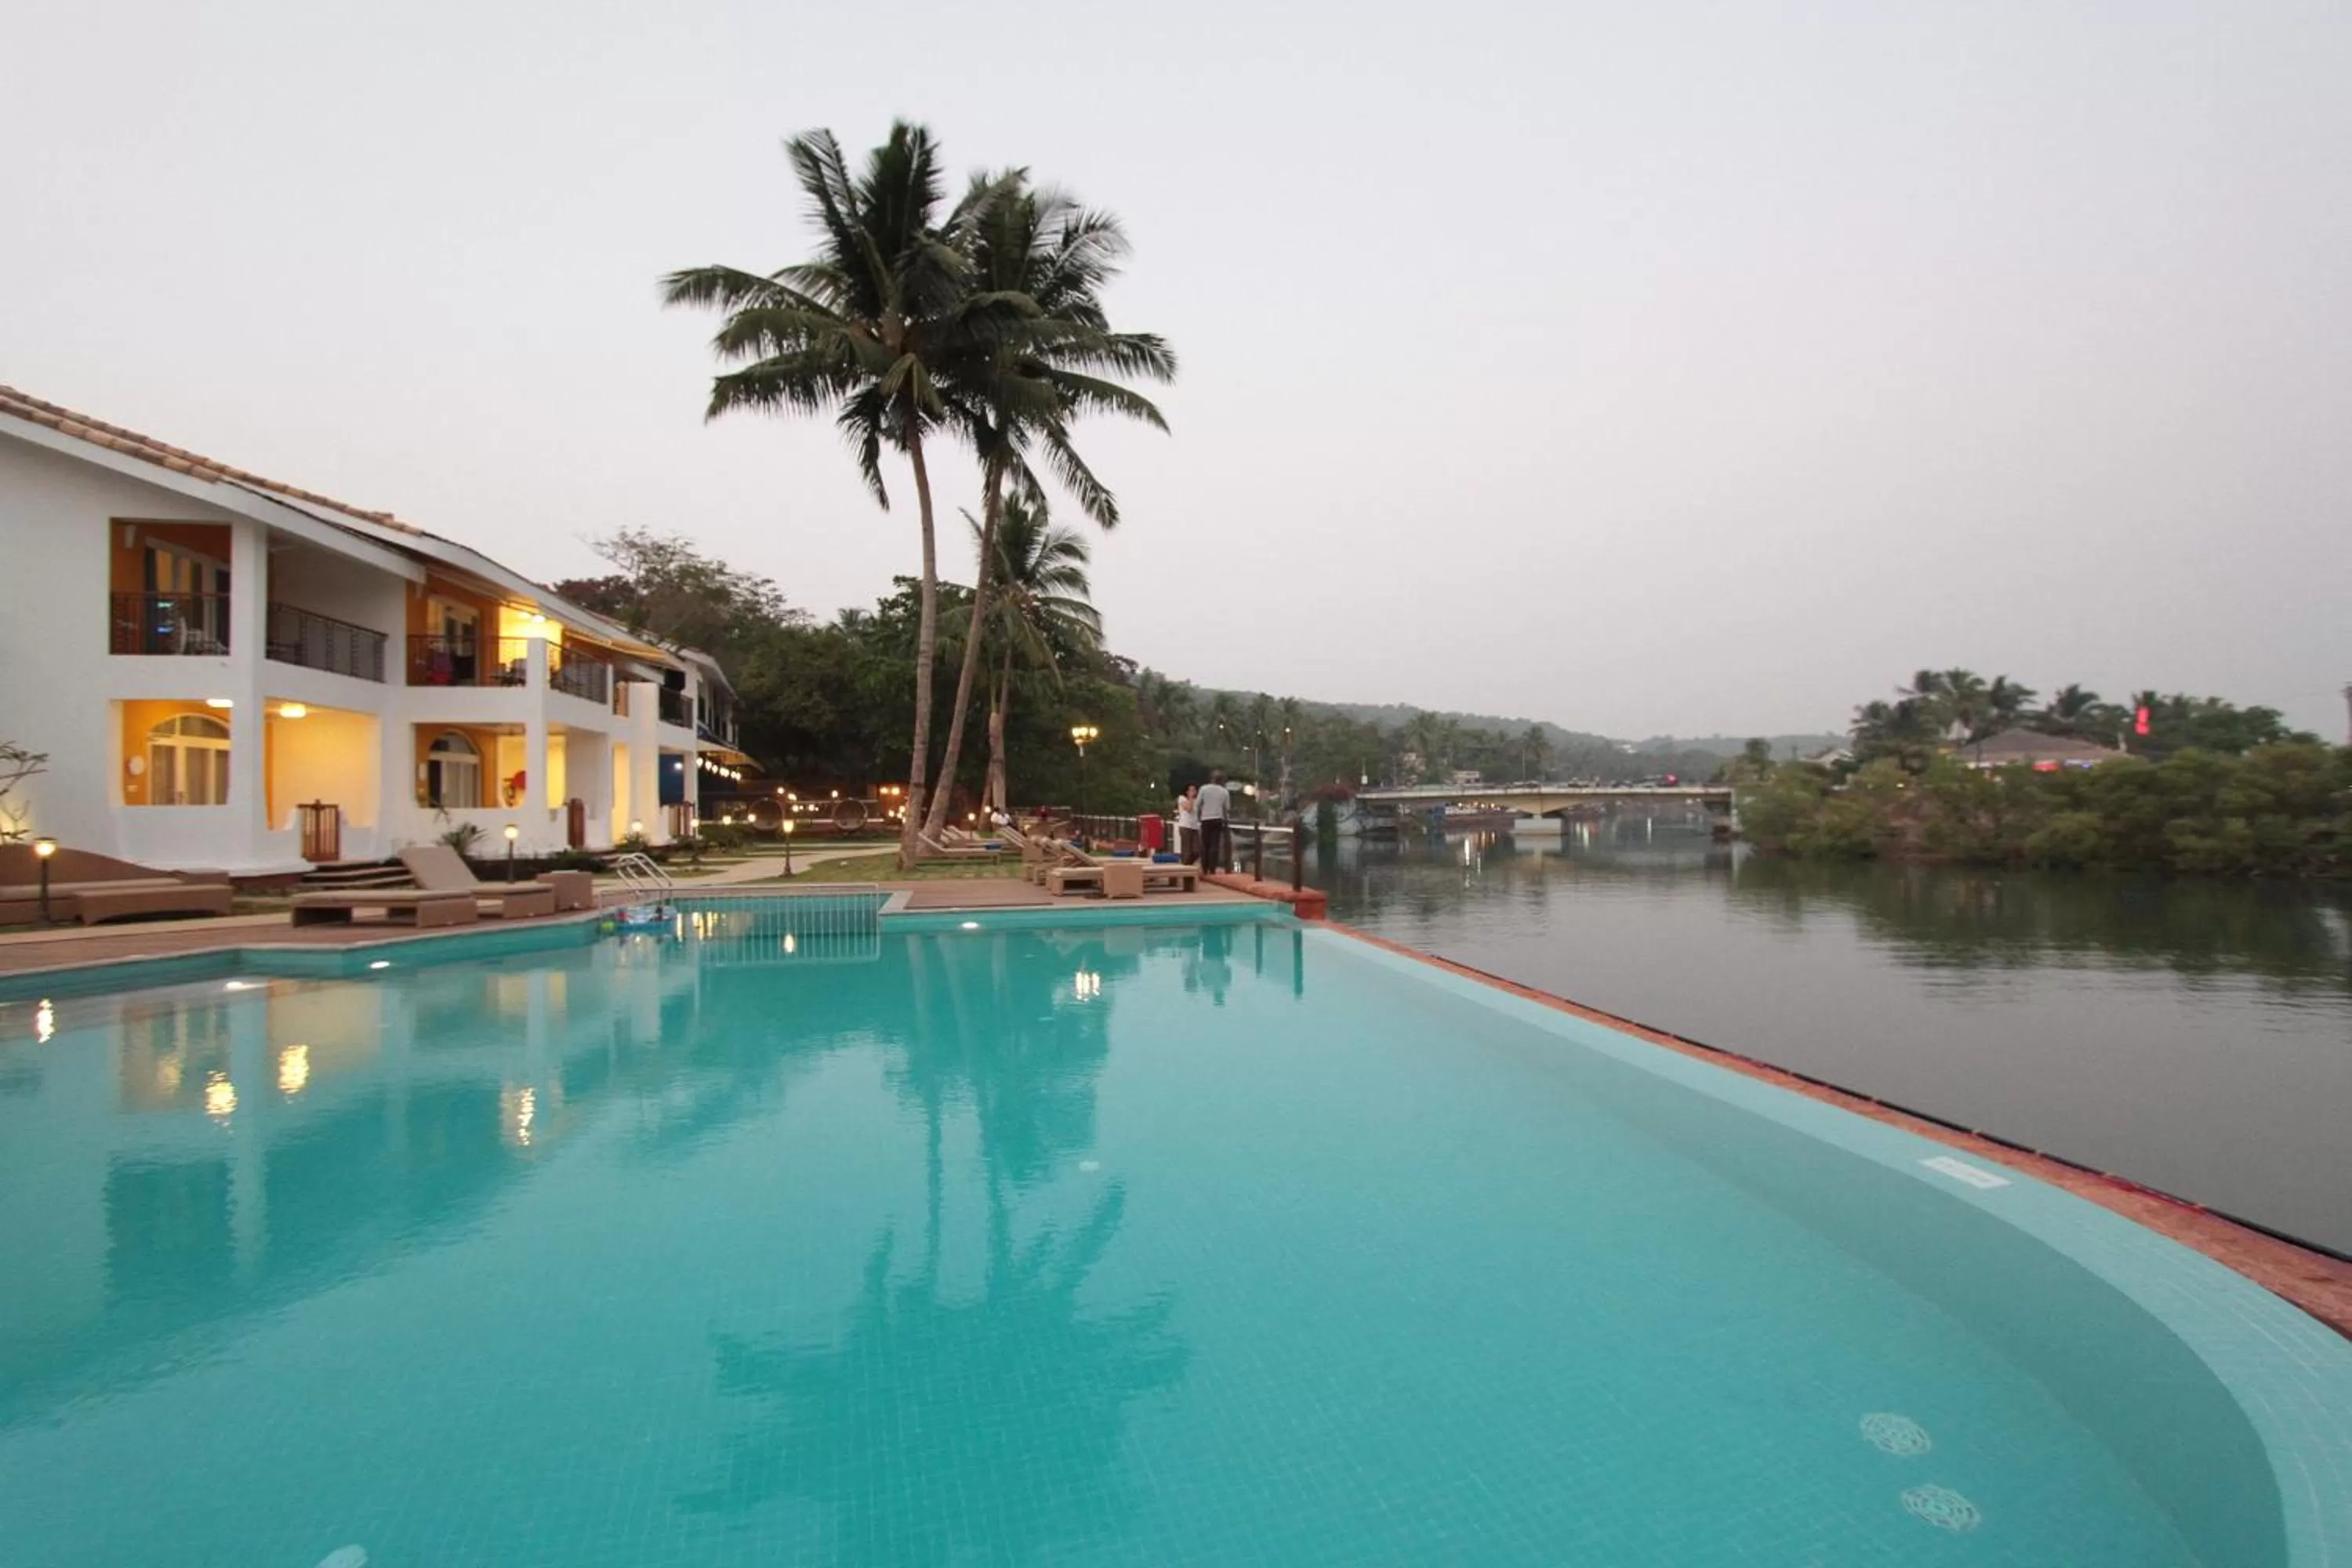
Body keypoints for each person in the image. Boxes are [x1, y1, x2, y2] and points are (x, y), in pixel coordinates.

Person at [1195, 770, 1232, 874]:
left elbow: (1198, 804)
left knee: (1205, 844)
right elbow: (1226, 808)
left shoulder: (1204, 789)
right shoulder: (1224, 792)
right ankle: (1213, 868)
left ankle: (1204, 867)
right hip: (1218, 819)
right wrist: (1226, 821)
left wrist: (1199, 817)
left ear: (1211, 779)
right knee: (1215, 845)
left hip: (1205, 819)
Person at [1174, 785, 1200, 863]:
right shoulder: (1182, 798)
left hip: (1195, 827)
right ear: (1187, 791)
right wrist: (1191, 798)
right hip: (1185, 826)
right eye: (1191, 790)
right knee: (1187, 851)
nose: (1193, 792)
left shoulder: (1196, 801)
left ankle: (1188, 864)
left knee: (1197, 851)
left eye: (1194, 790)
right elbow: (1189, 809)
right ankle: (1186, 869)